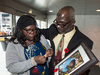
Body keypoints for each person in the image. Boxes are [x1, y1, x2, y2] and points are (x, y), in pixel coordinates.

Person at [40, 6, 93, 75]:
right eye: (57, 22)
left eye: (62, 24)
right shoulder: (53, 30)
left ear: (72, 22)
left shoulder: (84, 41)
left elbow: (84, 67)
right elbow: (36, 31)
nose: (58, 26)